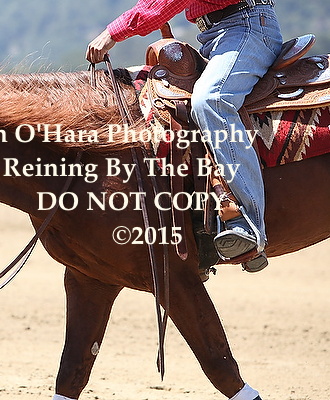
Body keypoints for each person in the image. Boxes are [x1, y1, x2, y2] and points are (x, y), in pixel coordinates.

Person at [86, 0, 282, 273]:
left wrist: (112, 33)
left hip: (246, 28)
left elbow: (164, 5)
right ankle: (201, 230)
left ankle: (249, 224)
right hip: (216, 35)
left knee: (211, 101)